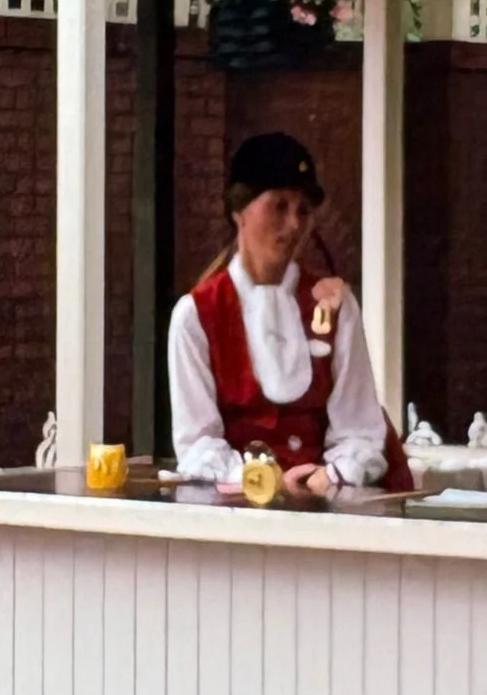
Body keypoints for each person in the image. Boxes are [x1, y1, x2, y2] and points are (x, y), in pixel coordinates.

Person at [169, 132, 394, 497]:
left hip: (324, 513)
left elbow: (360, 429)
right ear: (239, 210)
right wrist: (263, 480)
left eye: (303, 210)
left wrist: (333, 475)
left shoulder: (336, 308)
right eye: (279, 206)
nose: (294, 224)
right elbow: (197, 443)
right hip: (230, 518)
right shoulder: (195, 316)